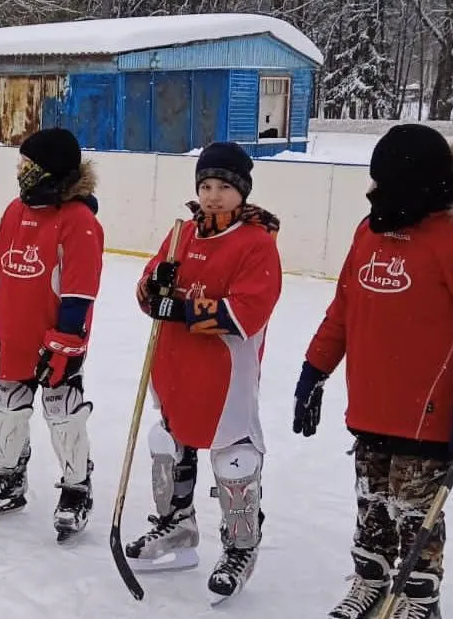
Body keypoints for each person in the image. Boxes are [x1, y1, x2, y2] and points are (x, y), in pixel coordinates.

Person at [294, 124, 453, 619]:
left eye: (389, 187)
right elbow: (344, 309)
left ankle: (418, 598)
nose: (377, 197)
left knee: (417, 513)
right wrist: (315, 368)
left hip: (430, 410)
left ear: (425, 188)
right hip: (372, 400)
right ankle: (370, 580)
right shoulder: (371, 229)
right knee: (371, 502)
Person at [123, 141, 282, 605]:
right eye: (206, 186)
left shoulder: (255, 244)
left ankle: (240, 546)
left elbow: (248, 311)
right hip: (174, 363)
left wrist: (185, 307)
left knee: (235, 456)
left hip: (225, 371)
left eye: (224, 187)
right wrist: (153, 289)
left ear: (243, 192)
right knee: (169, 443)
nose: (213, 196)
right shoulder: (182, 235)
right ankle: (178, 526)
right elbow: (147, 291)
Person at [0, 128, 104, 541]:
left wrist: (65, 343)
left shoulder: (79, 222)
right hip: (15, 335)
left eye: (28, 165)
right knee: (9, 402)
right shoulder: (14, 211)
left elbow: (79, 293)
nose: (20, 172)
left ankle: (77, 486)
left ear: (50, 171)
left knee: (61, 408)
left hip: (56, 340)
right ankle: (10, 474)